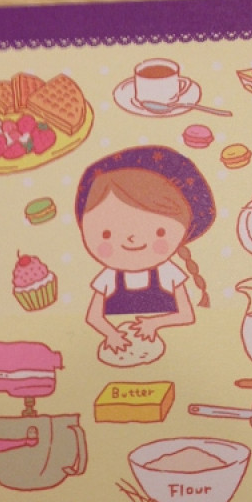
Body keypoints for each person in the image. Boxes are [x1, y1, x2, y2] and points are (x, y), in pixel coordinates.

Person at [76, 146, 215, 353]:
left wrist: (154, 324)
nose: (131, 239)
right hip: (119, 348)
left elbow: (186, 315)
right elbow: (93, 317)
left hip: (173, 349)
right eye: (107, 234)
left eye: (159, 231)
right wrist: (111, 334)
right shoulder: (109, 277)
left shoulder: (168, 273)